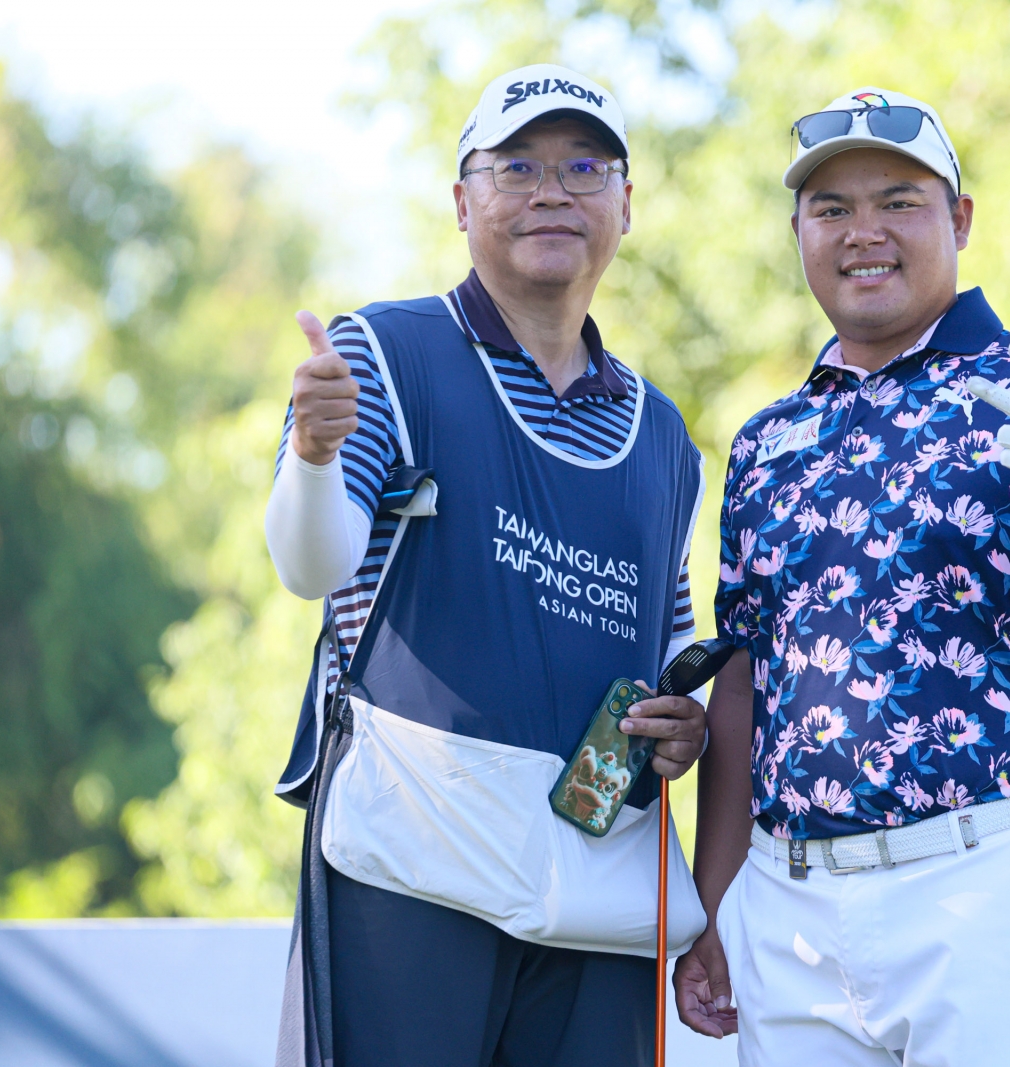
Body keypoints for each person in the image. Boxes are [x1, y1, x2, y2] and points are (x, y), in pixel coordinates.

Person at [674, 88, 1010, 1066]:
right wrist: (714, 900)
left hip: (985, 880)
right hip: (792, 905)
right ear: (798, 232)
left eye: (898, 201)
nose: (863, 232)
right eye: (831, 209)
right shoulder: (768, 441)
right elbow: (745, 680)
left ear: (958, 218)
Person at [265, 65, 710, 1067]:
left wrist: (684, 725)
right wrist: (313, 453)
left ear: (626, 206)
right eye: (516, 166)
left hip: (594, 881)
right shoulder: (382, 351)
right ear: (463, 200)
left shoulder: (663, 435)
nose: (550, 190)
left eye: (583, 166)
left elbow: (669, 639)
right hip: (411, 860)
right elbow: (311, 564)